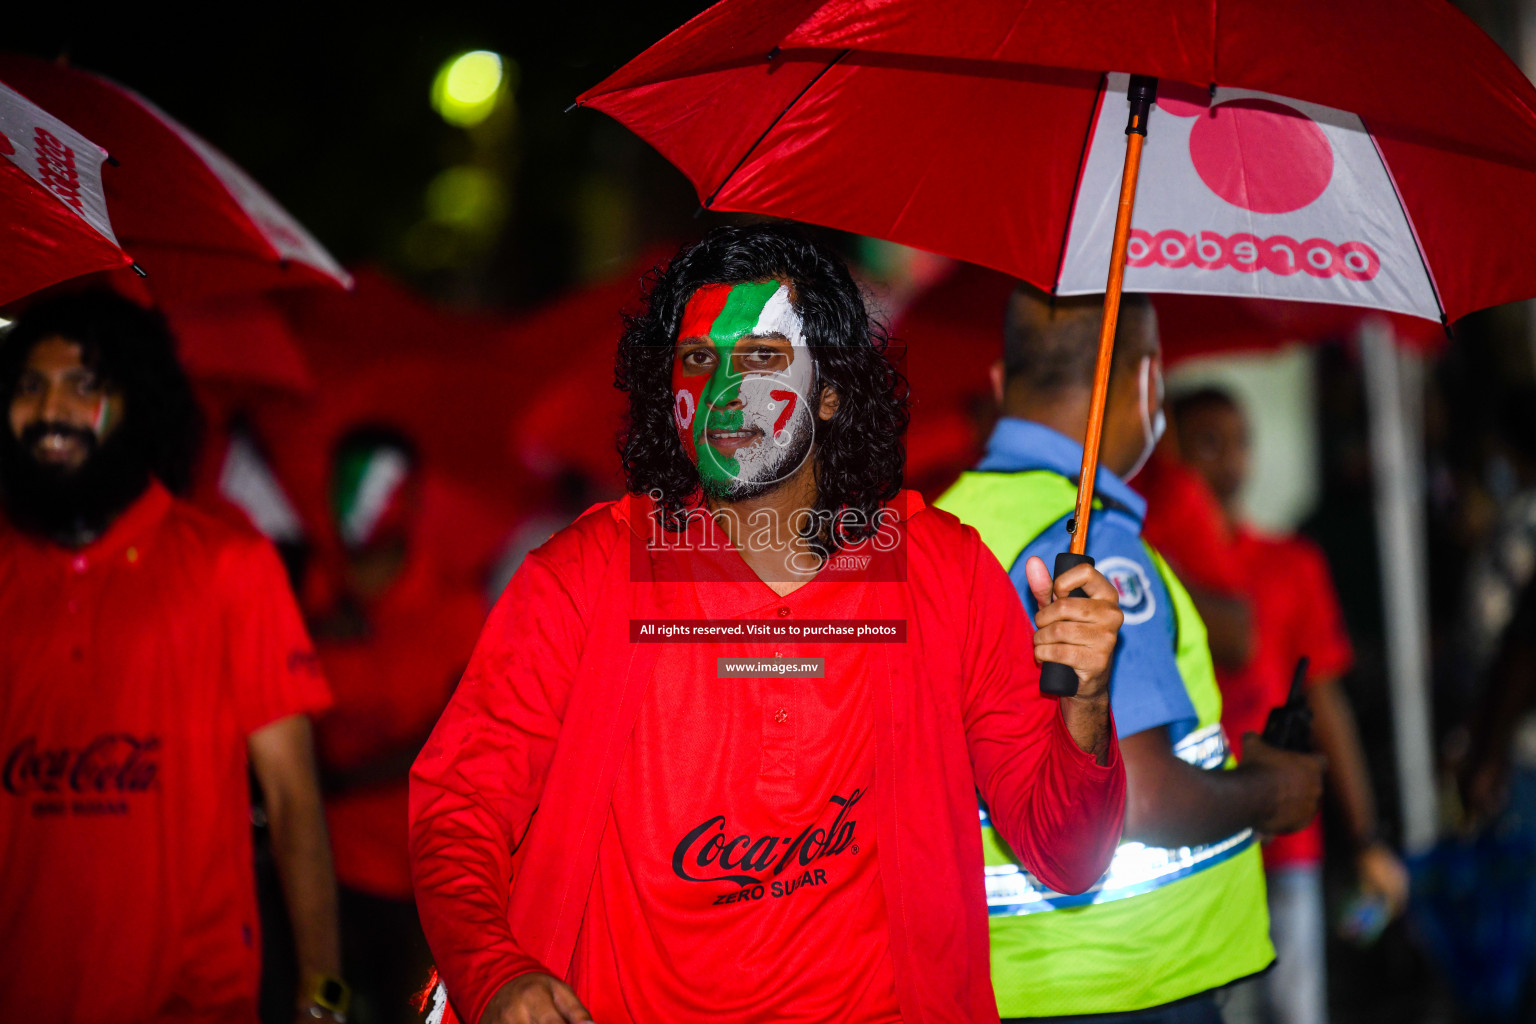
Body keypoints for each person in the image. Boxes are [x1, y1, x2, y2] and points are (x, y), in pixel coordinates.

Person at [409, 224, 1129, 1024]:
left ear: (828, 389)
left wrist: (1088, 704)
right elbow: (457, 813)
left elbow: (1069, 855)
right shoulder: (582, 580)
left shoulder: (943, 574)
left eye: (759, 358)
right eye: (697, 360)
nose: (722, 392)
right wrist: (497, 972)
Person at [936, 286, 1326, 1023]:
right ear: (1148, 386)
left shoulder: (946, 526)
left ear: (998, 381)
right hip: (1131, 980)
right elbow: (1142, 797)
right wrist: (1274, 795)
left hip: (1005, 984)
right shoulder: (1092, 544)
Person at [0, 292, 348, 1024]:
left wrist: (325, 996)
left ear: (136, 401)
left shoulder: (230, 564)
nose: (51, 409)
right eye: (30, 387)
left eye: (83, 386)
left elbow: (293, 800)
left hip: (190, 1001)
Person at [1168, 386, 1410, 1024]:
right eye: (1206, 442)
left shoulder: (1291, 565)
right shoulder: (1147, 568)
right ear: (1171, 453)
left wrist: (1367, 835)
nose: (1227, 460)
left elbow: (1327, 704)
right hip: (1191, 835)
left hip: (1283, 838)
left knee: (1293, 1006)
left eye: (1238, 441)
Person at [309, 426, 488, 1024]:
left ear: (411, 498)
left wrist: (345, 776)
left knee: (412, 1015)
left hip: (419, 889)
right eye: (348, 483)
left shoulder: (458, 611)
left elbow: (457, 740)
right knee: (320, 1009)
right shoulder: (301, 600)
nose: (358, 503)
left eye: (378, 484)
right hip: (317, 882)